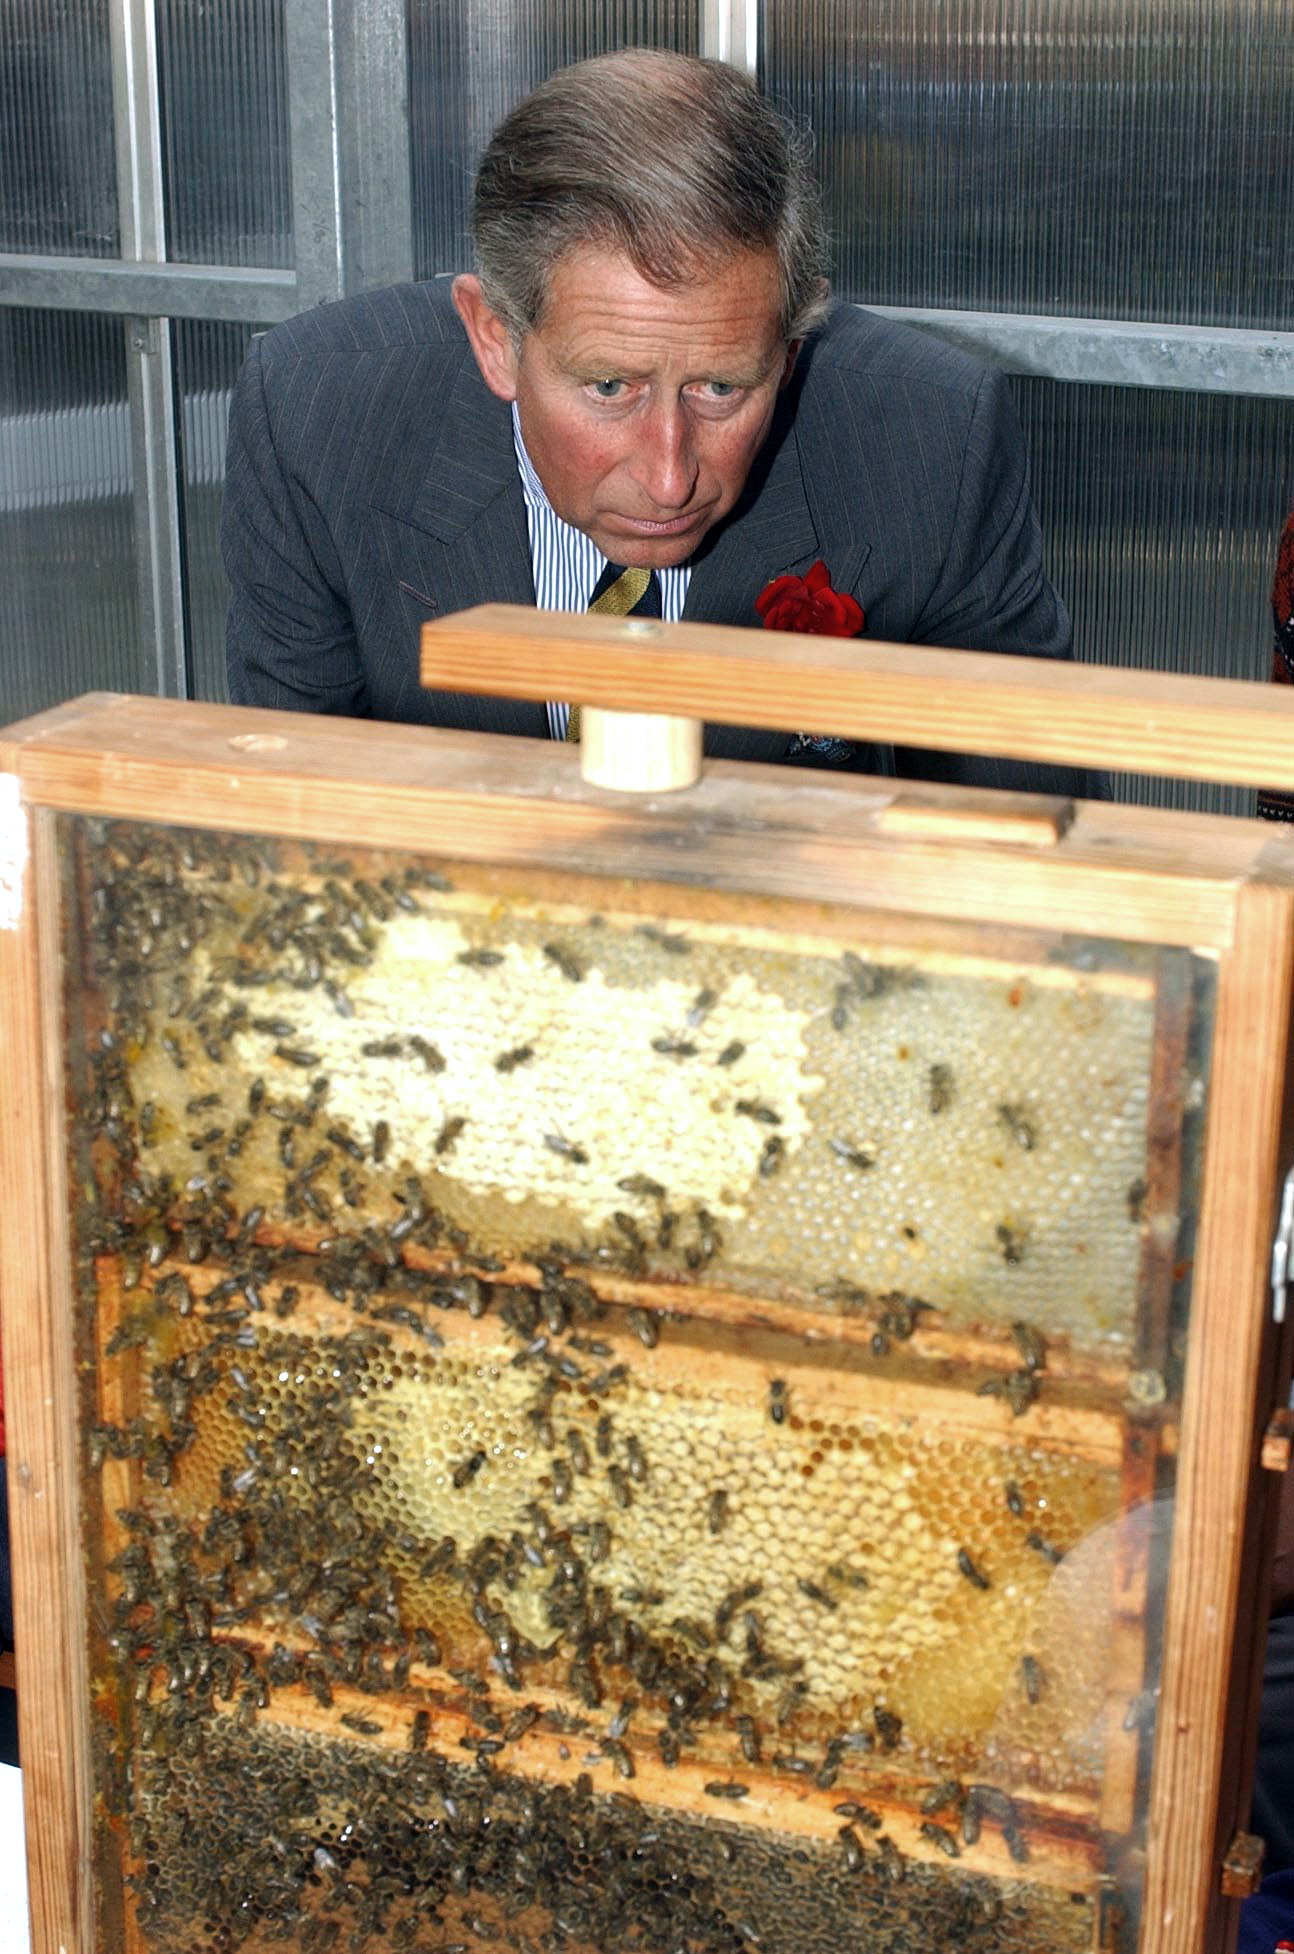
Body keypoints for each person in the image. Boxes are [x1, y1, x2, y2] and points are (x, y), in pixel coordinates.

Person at [222, 48, 1077, 794]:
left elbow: (1024, 834)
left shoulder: (932, 442)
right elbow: (294, 814)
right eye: (609, 387)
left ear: (786, 353)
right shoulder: (318, 416)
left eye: (720, 388)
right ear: (496, 340)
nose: (670, 479)